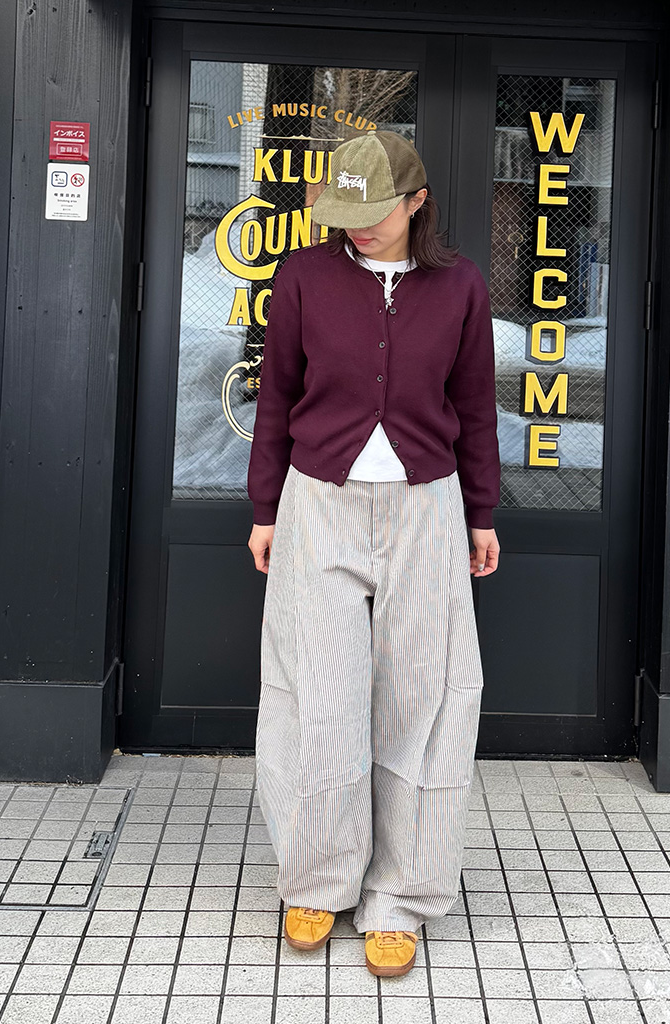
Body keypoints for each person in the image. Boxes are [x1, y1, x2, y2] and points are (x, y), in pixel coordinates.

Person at [246, 128, 500, 977]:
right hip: (318, 503)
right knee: (316, 693)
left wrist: (481, 513)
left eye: (377, 210)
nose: (357, 226)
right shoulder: (304, 277)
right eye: (345, 211)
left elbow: (476, 405)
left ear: (418, 201)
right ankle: (317, 879)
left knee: (423, 700)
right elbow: (277, 394)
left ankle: (400, 896)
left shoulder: (460, 286)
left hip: (427, 508)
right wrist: (264, 508)